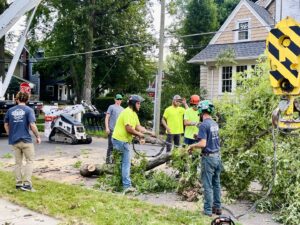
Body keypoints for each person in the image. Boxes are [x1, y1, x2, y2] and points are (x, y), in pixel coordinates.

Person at [187, 100, 222, 217]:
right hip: (217, 156)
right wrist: (199, 136)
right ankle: (217, 208)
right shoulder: (214, 124)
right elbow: (211, 139)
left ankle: (207, 210)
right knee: (216, 183)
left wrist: (192, 145)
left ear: (201, 112)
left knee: (207, 185)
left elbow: (202, 144)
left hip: (208, 159)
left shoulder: (203, 125)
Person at [112, 95, 153, 192]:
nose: (140, 105)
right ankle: (127, 186)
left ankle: (122, 183)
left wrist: (149, 133)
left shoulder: (133, 114)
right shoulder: (127, 112)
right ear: (133, 103)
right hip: (120, 140)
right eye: (138, 103)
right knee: (126, 164)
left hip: (123, 140)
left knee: (122, 163)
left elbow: (138, 127)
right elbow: (129, 128)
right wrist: (140, 135)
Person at [4, 92, 41, 192]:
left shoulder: (10, 110)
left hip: (14, 140)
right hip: (26, 140)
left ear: (17, 99)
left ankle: (18, 184)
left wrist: (9, 134)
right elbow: (32, 125)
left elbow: (6, 124)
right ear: (27, 99)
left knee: (18, 163)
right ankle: (27, 185)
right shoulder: (29, 110)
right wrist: (38, 136)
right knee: (29, 161)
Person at [105, 94, 124, 164]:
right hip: (111, 129)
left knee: (117, 147)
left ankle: (114, 162)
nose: (119, 100)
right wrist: (107, 128)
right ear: (115, 99)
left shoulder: (122, 109)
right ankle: (107, 162)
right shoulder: (111, 107)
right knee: (110, 146)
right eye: (118, 99)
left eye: (120, 99)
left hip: (119, 131)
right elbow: (107, 117)